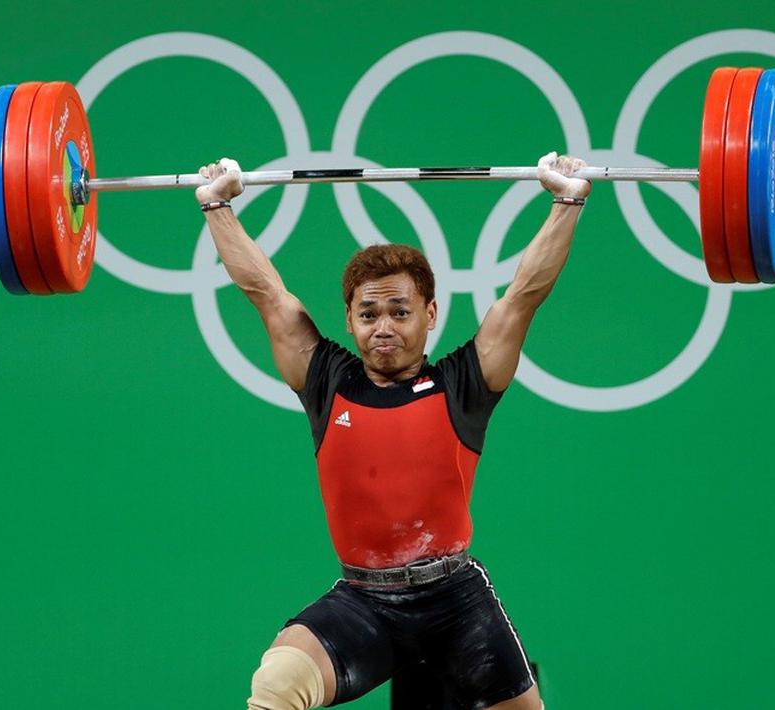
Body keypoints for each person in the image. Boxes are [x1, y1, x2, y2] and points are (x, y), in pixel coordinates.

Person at [196, 152, 590, 710]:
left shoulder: (464, 384)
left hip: (457, 602)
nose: (383, 327)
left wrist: (567, 200)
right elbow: (267, 293)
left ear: (430, 314)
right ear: (350, 319)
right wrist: (217, 206)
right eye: (369, 313)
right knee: (278, 681)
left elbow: (524, 295)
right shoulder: (325, 380)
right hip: (365, 602)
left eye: (399, 312)